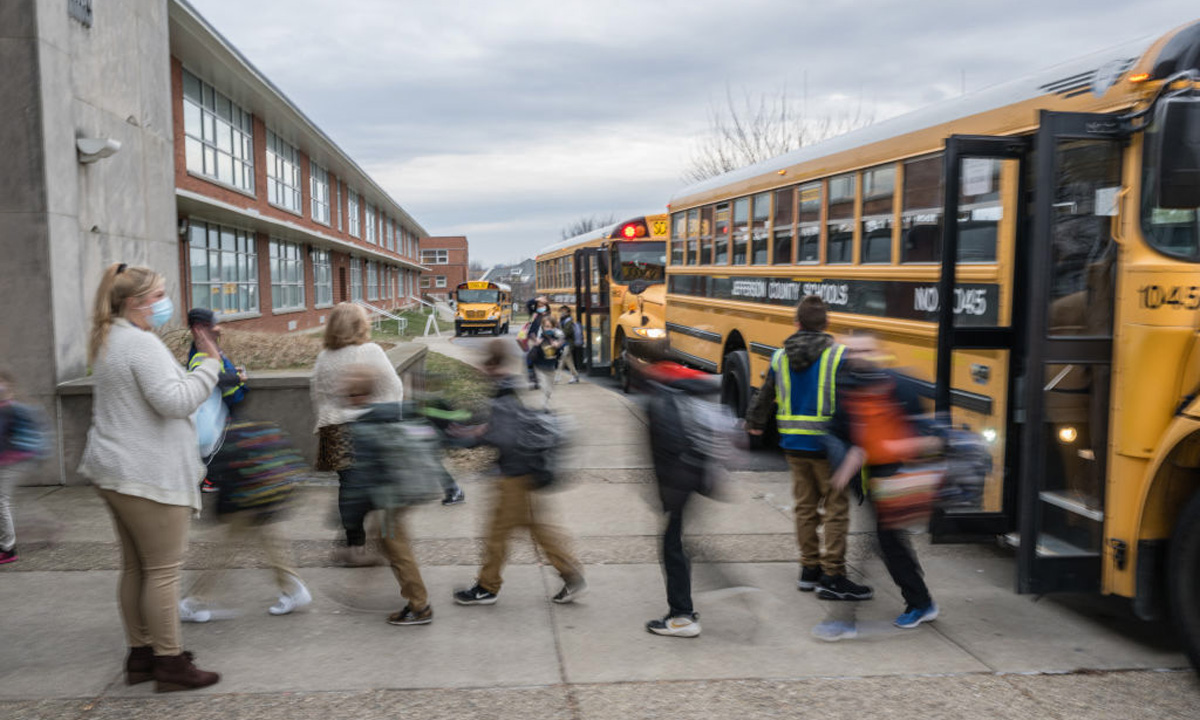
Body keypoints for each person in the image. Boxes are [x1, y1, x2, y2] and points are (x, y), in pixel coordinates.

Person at [78, 262, 222, 692]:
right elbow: (174, 402)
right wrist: (210, 363)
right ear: (135, 303)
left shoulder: (109, 337)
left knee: (136, 568)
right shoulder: (141, 344)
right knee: (162, 572)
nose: (165, 302)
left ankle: (141, 656)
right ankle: (170, 664)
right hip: (147, 474)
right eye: (158, 295)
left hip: (115, 470)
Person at [745, 295, 872, 601]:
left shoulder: (779, 357)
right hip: (829, 447)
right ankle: (833, 575)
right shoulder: (839, 355)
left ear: (797, 323)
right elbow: (853, 400)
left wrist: (755, 422)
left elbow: (766, 395)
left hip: (793, 444)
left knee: (804, 508)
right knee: (835, 511)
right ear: (826, 323)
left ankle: (808, 570)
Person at [451, 340, 586, 606]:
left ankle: (486, 587)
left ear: (492, 365)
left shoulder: (502, 391)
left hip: (513, 475)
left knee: (496, 533)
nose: (480, 369)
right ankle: (571, 575)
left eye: (484, 363)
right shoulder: (508, 387)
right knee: (539, 529)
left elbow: (505, 436)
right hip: (525, 472)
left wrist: (478, 434)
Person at [825, 334, 943, 637]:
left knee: (885, 543)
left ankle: (914, 604)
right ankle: (919, 601)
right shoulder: (849, 388)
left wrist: (895, 447)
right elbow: (847, 437)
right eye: (853, 350)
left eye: (865, 349)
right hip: (876, 481)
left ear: (878, 352)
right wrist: (841, 474)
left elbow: (925, 435)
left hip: (899, 479)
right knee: (888, 543)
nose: (859, 355)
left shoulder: (901, 385)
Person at [178, 419, 311, 623]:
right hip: (265, 479)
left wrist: (218, 511)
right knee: (267, 535)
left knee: (225, 547)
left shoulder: (212, 429)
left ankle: (195, 601)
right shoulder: (238, 421)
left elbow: (214, 468)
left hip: (244, 487)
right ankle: (292, 588)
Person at [342, 364, 435, 626]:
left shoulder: (363, 427)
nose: (347, 399)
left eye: (349, 394)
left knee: (397, 549)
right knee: (390, 543)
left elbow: (360, 478)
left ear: (359, 396)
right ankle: (414, 600)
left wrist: (350, 516)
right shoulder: (388, 414)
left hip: (390, 498)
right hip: (401, 494)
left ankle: (420, 606)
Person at [311, 302, 403, 567]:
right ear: (360, 325)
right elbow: (393, 387)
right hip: (365, 430)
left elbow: (315, 393)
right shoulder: (369, 351)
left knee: (349, 489)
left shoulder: (324, 356)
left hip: (332, 429)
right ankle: (378, 541)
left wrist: (326, 420)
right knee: (378, 489)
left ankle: (353, 543)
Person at [643, 362, 725, 638]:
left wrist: (667, 493)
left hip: (679, 486)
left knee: (673, 546)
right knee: (678, 543)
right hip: (694, 482)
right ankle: (686, 609)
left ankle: (682, 617)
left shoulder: (664, 397)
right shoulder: (689, 394)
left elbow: (671, 448)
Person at [186, 308, 247, 493]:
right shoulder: (200, 352)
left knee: (223, 444)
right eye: (214, 324)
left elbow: (217, 369)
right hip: (216, 408)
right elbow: (213, 377)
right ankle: (210, 481)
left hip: (225, 405)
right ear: (200, 328)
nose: (219, 328)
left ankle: (215, 478)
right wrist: (237, 379)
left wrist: (231, 371)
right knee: (215, 446)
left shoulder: (208, 346)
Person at [0, 370, 49, 565]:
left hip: (13, 460)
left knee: (2, 500)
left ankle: (8, 548)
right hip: (10, 460)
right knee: (8, 501)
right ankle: (45, 525)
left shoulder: (10, 409)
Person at [532, 315, 565, 409]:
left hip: (551, 367)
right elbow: (532, 355)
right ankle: (544, 405)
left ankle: (546, 402)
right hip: (540, 367)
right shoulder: (540, 338)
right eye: (546, 326)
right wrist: (536, 345)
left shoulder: (556, 339)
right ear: (543, 327)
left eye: (551, 327)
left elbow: (559, 354)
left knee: (549, 389)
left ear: (554, 327)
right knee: (544, 386)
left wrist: (558, 346)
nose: (548, 329)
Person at [555, 306, 581, 384]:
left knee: (563, 359)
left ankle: (558, 376)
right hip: (564, 343)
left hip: (568, 343)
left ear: (568, 312)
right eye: (562, 311)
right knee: (568, 360)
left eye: (564, 311)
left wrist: (558, 330)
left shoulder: (569, 321)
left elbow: (566, 332)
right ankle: (575, 375)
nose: (562, 313)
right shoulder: (563, 320)